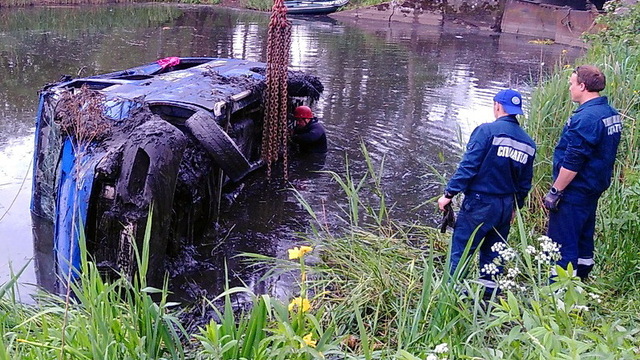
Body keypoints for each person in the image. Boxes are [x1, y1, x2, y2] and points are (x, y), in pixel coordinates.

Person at [437, 89, 536, 297]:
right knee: (494, 258)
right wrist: (515, 207)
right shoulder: (528, 143)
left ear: (497, 106)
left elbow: (468, 167)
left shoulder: (487, 131)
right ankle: (487, 303)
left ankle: (451, 299)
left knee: (461, 252)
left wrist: (449, 194)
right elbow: (524, 183)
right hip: (505, 207)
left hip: (480, 204)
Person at [543, 65, 622, 281]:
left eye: (572, 83)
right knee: (584, 236)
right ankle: (583, 280)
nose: (569, 88)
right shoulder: (610, 113)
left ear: (583, 86)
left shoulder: (586, 118)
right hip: (593, 187)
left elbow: (573, 161)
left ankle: (558, 293)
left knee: (562, 242)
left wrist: (556, 190)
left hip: (575, 190)